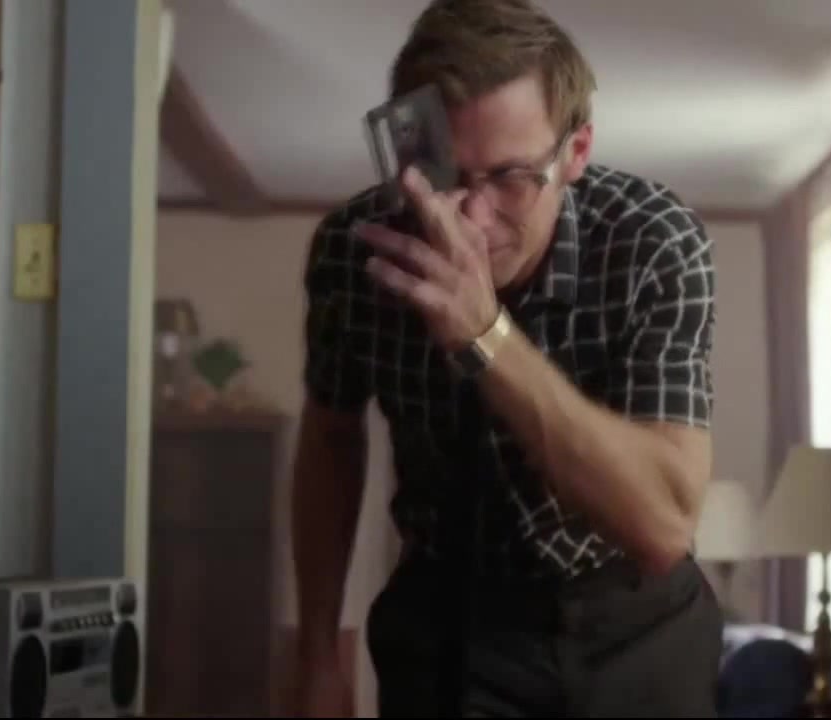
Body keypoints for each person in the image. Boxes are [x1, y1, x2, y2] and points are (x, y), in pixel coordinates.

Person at [292, 0, 720, 716]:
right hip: (444, 611)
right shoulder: (352, 250)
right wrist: (316, 658)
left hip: (636, 626)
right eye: (443, 176)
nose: (472, 216)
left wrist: (485, 335)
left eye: (511, 178)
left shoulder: (653, 241)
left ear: (575, 153)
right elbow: (331, 439)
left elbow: (664, 528)